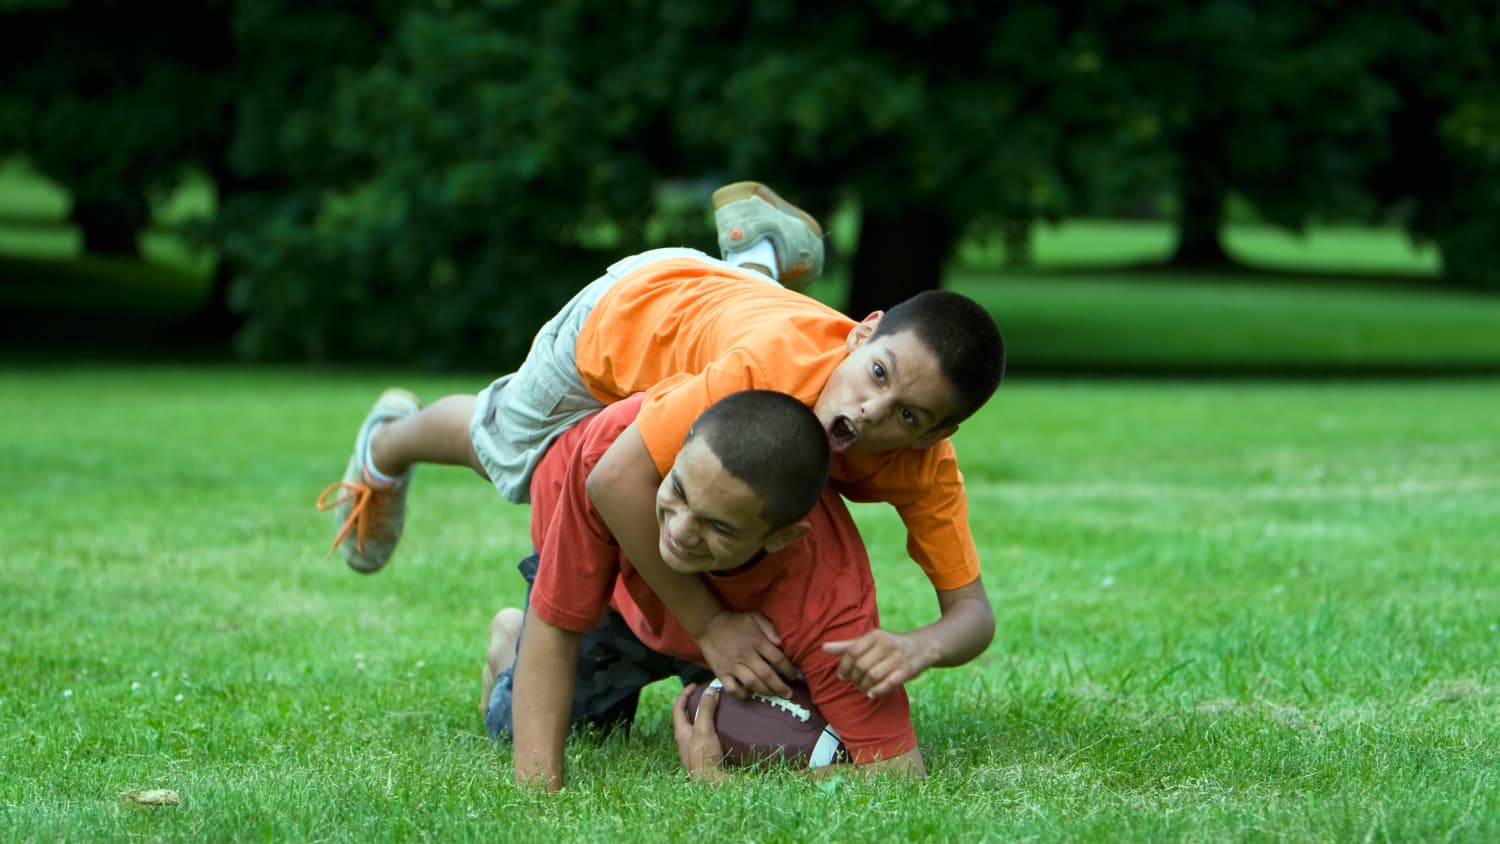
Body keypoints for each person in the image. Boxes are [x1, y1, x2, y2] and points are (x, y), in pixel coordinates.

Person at [316, 181, 1005, 701]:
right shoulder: (763, 370)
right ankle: (389, 445)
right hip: (629, 319)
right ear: (862, 330)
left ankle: (756, 256)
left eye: (909, 417)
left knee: (727, 384)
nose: (871, 411)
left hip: (724, 313)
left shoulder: (925, 469)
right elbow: (615, 482)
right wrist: (708, 627)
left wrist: (923, 646)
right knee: (508, 456)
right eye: (877, 372)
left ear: (940, 433)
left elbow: (972, 614)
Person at [483, 389, 924, 790]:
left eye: (719, 526)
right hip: (620, 606)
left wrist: (729, 783)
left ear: (781, 538)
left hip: (750, 648)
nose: (679, 530)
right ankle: (510, 646)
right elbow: (557, 620)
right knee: (539, 726)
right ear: (677, 446)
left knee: (790, 734)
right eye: (676, 489)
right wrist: (540, 799)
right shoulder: (613, 454)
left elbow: (899, 772)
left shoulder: (830, 602)